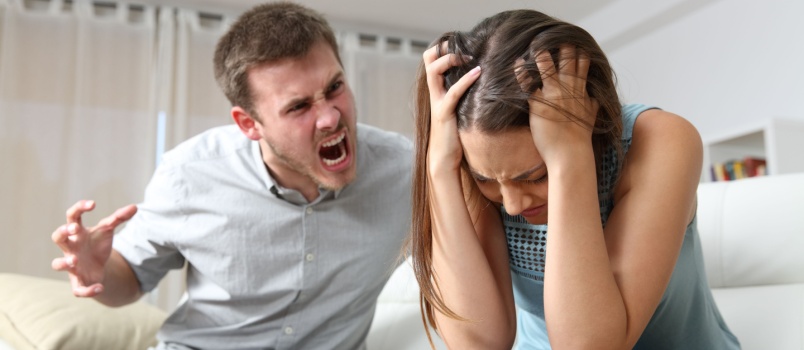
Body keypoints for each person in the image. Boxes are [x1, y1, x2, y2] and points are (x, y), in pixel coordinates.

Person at [50, 2, 412, 349]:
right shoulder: (190, 174)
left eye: (334, 87)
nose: (330, 117)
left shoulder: (404, 172)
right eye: (299, 106)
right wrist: (97, 274)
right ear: (249, 124)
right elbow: (128, 281)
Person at [409, 9, 740, 349]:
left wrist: (569, 157)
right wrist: (440, 167)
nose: (511, 204)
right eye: (485, 179)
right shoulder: (482, 164)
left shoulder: (661, 141)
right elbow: (480, 345)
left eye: (535, 176)